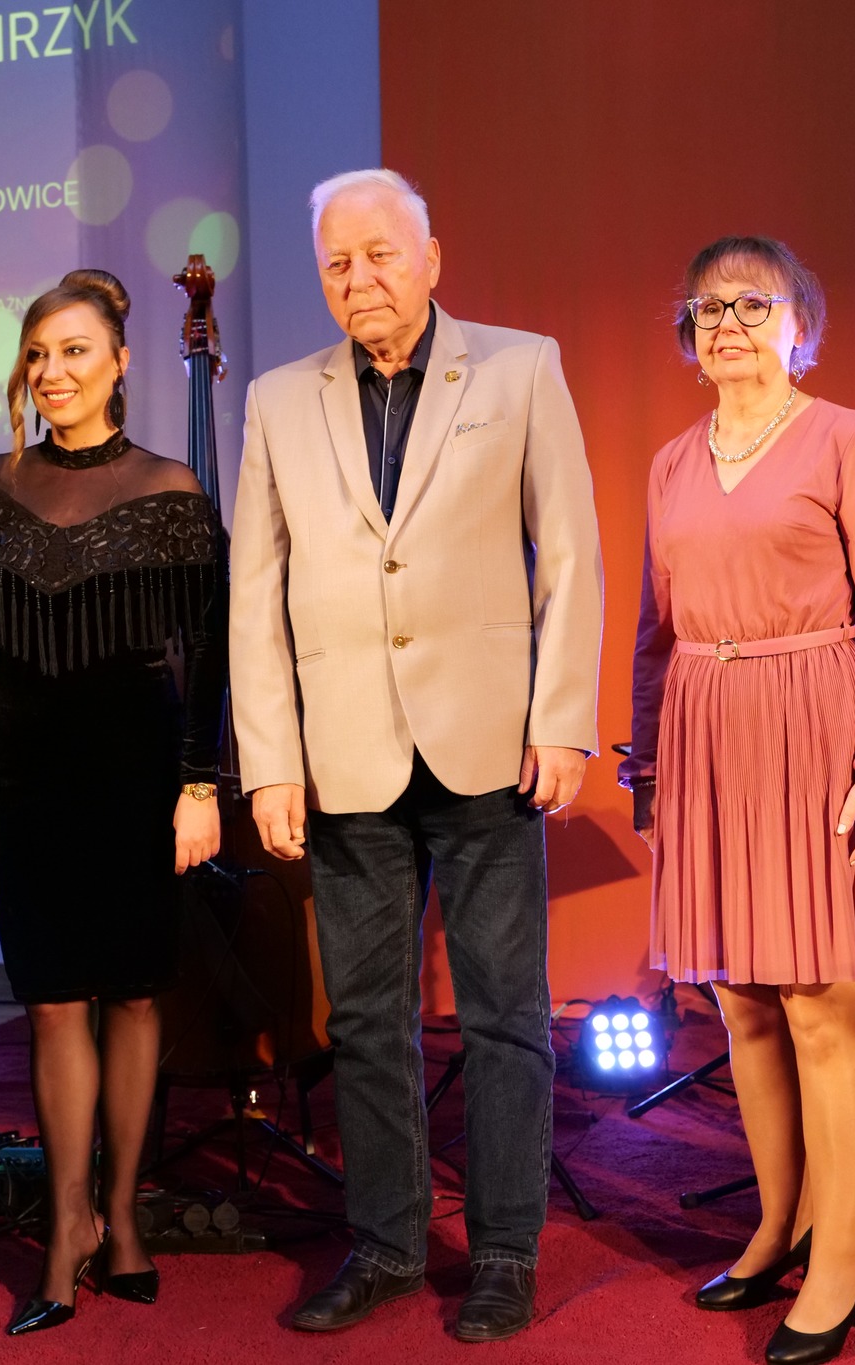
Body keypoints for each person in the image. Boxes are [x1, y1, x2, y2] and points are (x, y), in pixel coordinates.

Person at [227, 168, 604, 1344]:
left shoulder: (519, 368)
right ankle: (386, 1246)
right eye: (337, 263)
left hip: (488, 747)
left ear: (430, 259)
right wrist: (268, 761)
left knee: (502, 1017)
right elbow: (255, 593)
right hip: (344, 755)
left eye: (380, 255)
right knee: (366, 1022)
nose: (360, 280)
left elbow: (569, 555)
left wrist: (560, 719)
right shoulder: (279, 401)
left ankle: (502, 1253)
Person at [623, 236, 855, 1365]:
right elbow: (654, 632)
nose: (732, 324)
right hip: (705, 732)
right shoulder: (669, 462)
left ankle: (840, 1257)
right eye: (710, 308)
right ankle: (778, 1224)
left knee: (819, 1006)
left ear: (801, 326)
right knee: (741, 1003)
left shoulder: (847, 439)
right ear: (689, 336)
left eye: (756, 304)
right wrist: (649, 765)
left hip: (816, 727)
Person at [0, 269, 227, 1335]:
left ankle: (125, 1214)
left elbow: (209, 655)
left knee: (134, 995)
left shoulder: (172, 492)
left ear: (120, 363)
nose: (52, 373)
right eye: (39, 356)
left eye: (74, 352)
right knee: (53, 999)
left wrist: (199, 784)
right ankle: (66, 1229)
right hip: (23, 772)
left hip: (140, 773)